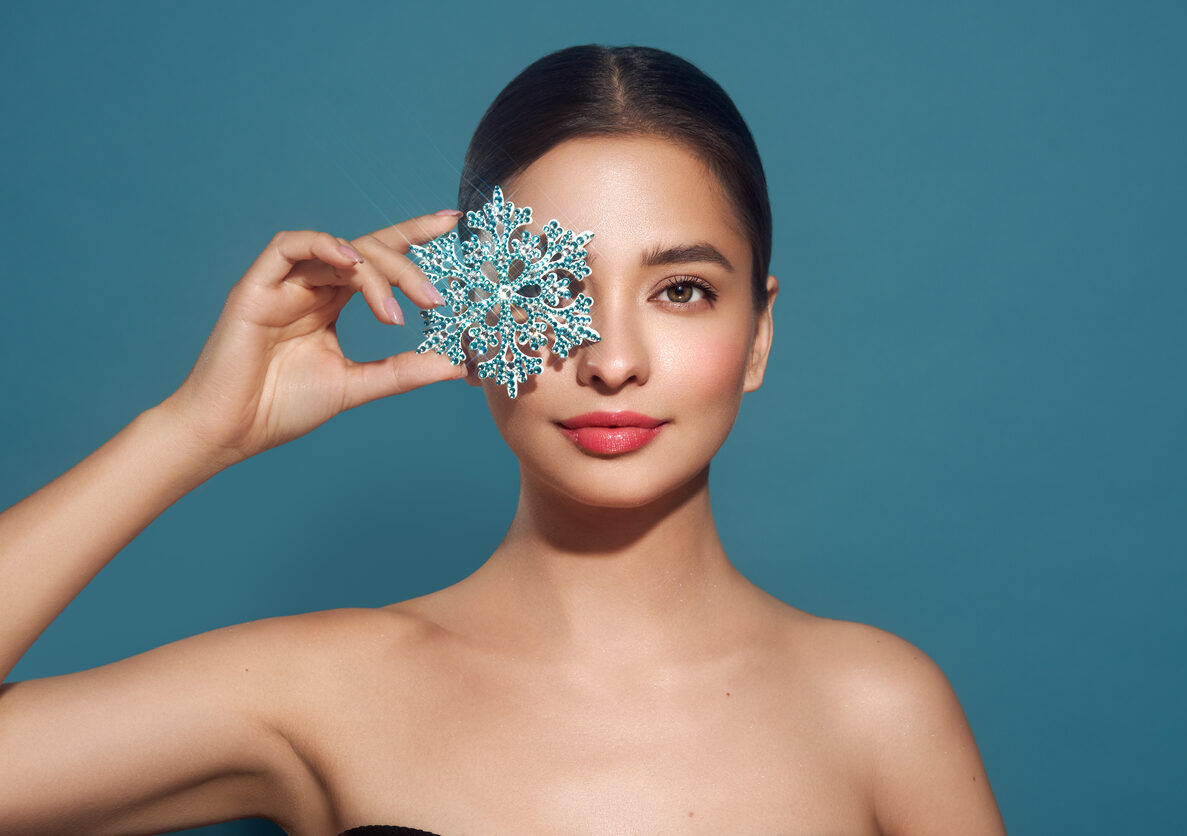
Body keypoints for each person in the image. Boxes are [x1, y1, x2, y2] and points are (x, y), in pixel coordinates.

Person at [0, 45, 1005, 835]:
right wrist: (194, 429)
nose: (612, 359)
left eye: (682, 290)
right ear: (476, 318)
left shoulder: (877, 708)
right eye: (551, 289)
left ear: (758, 335)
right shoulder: (318, 689)